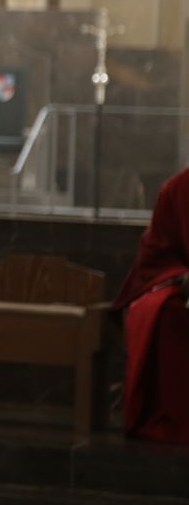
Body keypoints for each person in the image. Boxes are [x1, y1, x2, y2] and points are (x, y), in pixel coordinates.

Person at [112, 168, 189, 444]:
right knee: (167, 313)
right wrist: (180, 279)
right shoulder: (179, 188)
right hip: (184, 284)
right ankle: (172, 419)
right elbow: (157, 255)